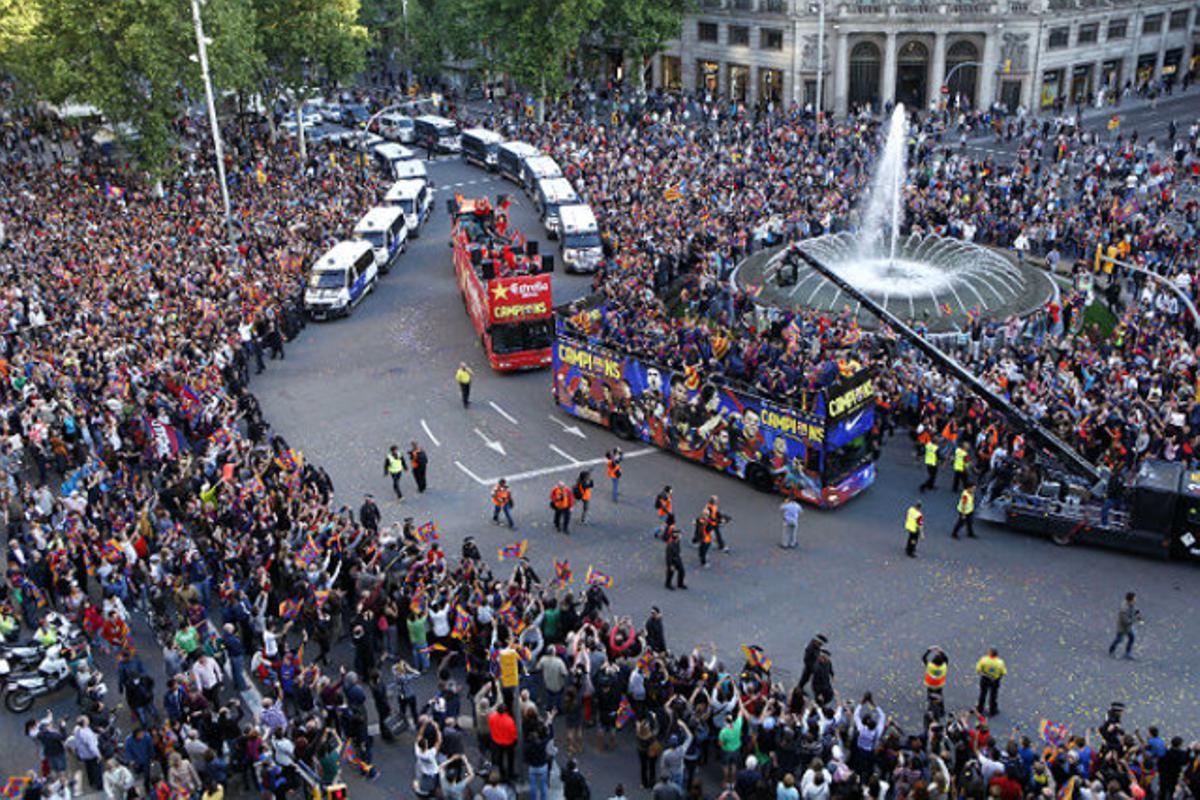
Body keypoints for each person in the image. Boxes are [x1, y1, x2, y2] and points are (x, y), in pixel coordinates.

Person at [1108, 591, 1142, 659]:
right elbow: (1126, 621)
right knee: (1119, 639)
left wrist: (1137, 612)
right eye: (1134, 599)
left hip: (1128, 627)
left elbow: (1133, 609)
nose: (1135, 600)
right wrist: (1136, 620)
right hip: (1122, 628)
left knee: (1132, 638)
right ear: (1130, 600)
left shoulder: (1131, 604)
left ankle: (1127, 653)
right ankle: (1111, 650)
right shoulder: (1124, 609)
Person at [975, 647, 1006, 716]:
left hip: (985, 678)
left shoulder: (984, 660)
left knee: (983, 694)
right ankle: (992, 710)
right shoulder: (1000, 662)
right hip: (995, 680)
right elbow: (1003, 672)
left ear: (989, 654)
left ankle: (980, 708)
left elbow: (978, 669)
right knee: (993, 695)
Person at [663, 515, 687, 591]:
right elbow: (668, 557)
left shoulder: (677, 541)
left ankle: (680, 583)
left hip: (677, 558)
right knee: (671, 572)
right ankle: (668, 584)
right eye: (680, 535)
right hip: (672, 560)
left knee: (682, 571)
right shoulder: (670, 545)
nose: (681, 536)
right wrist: (670, 565)